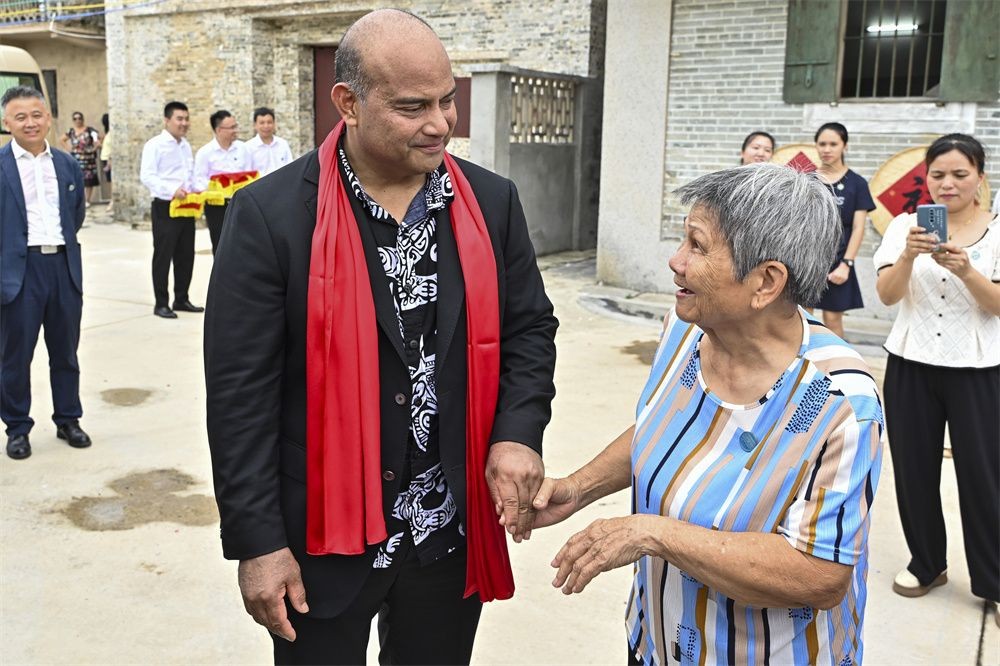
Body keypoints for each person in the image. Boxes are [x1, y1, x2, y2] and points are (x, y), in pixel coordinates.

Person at [204, 9, 558, 665]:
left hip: (447, 532)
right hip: (321, 540)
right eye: (413, 106)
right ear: (349, 104)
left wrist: (517, 432)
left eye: (447, 100)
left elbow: (530, 329)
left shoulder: (491, 202)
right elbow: (239, 395)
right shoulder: (269, 217)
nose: (440, 123)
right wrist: (258, 543)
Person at [531, 164, 884, 665]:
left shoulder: (842, 402)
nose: (676, 260)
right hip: (656, 640)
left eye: (697, 246)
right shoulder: (684, 331)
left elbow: (819, 574)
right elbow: (662, 428)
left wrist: (651, 532)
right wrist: (579, 487)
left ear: (766, 281)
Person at [872, 134, 999, 611]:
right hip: (910, 364)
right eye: (938, 174)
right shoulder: (904, 227)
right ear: (925, 178)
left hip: (978, 369)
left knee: (985, 476)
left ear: (980, 177)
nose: (948, 184)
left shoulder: (997, 230)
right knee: (913, 471)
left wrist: (967, 271)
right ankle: (927, 563)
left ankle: (995, 580)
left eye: (960, 174)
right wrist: (909, 255)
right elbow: (887, 295)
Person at [1, 86, 93, 460]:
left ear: (49, 118)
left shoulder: (66, 164)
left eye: (36, 115)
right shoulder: (2, 165)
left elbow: (76, 214)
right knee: (15, 356)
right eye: (20, 117)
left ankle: (68, 419)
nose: (30, 123)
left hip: (63, 268)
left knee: (65, 352)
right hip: (18, 273)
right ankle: (17, 427)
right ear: (6, 122)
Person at [139, 101, 204, 319]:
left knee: (186, 254)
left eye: (186, 119)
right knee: (163, 255)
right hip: (165, 206)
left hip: (186, 205)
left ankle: (181, 298)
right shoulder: (155, 145)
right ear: (167, 120)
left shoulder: (185, 145)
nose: (184, 123)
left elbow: (189, 174)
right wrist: (171, 190)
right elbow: (147, 176)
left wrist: (198, 189)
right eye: (179, 119)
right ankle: (161, 303)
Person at [811, 122, 875, 338]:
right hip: (807, 260)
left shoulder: (857, 183)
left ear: (844, 146)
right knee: (802, 318)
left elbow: (858, 227)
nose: (827, 149)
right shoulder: (807, 180)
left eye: (833, 144)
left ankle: (837, 359)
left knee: (832, 319)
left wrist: (846, 264)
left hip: (838, 261)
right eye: (822, 144)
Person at [193, 109, 252, 254]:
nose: (235, 130)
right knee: (220, 245)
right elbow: (198, 181)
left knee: (243, 244)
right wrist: (218, 187)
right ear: (219, 130)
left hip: (240, 203)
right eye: (232, 127)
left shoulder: (243, 149)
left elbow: (250, 174)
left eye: (235, 126)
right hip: (216, 206)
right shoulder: (205, 153)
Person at [59, 111, 101, 206]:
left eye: (79, 118)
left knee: (89, 180)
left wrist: (94, 148)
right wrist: (68, 149)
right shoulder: (71, 131)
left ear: (83, 119)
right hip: (76, 159)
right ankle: (79, 200)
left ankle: (87, 200)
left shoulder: (89, 130)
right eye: (75, 119)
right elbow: (62, 139)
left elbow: (99, 138)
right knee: (77, 179)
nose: (77, 120)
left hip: (88, 158)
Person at [246, 107, 293, 177]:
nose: (266, 126)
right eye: (262, 123)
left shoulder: (283, 144)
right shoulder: (248, 147)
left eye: (269, 122)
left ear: (274, 124)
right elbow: (247, 174)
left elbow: (290, 168)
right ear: (255, 125)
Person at [100, 112, 112, 212]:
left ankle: (113, 200)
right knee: (109, 180)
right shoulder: (107, 133)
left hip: (108, 159)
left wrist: (110, 160)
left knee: (111, 180)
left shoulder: (112, 133)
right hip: (104, 158)